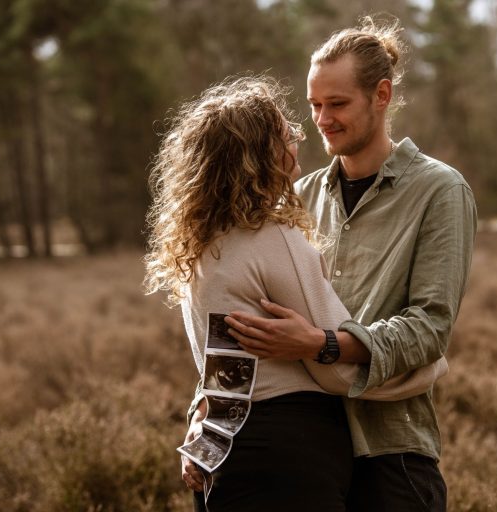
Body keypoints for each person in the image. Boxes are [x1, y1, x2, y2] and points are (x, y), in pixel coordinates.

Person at [143, 76, 447, 512]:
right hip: (288, 451)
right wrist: (426, 372)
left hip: (223, 450)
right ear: (260, 154)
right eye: (288, 135)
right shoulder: (273, 236)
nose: (300, 139)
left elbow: (224, 367)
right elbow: (336, 370)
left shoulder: (201, 245)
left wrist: (202, 423)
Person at [225, 17, 477, 512]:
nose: (322, 119)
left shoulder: (440, 191)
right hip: (306, 452)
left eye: (337, 104)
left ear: (381, 95)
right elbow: (239, 314)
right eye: (315, 105)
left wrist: (322, 345)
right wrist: (205, 421)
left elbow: (430, 328)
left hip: (391, 449)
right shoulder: (297, 194)